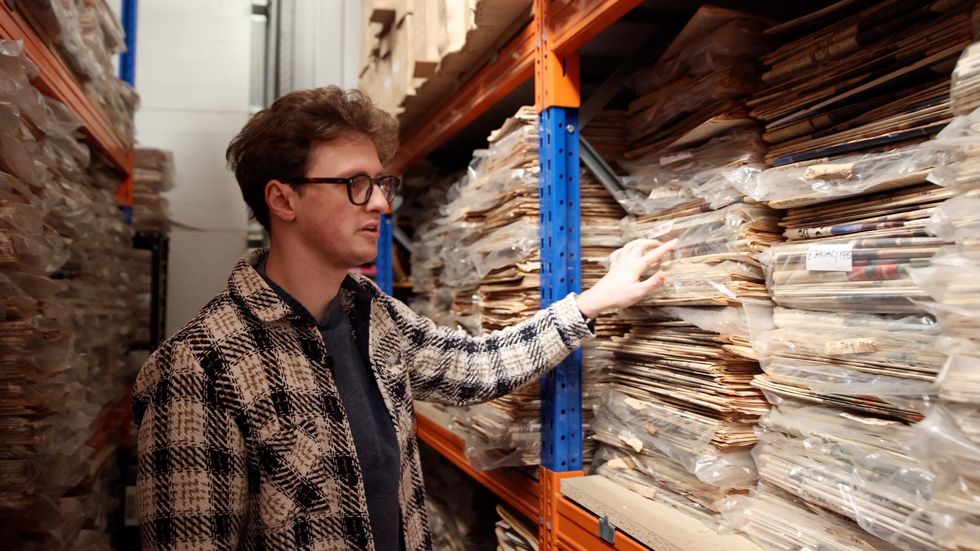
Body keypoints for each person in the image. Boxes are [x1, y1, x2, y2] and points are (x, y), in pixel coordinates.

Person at [132, 86, 676, 551]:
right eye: (354, 185)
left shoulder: (372, 315)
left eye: (381, 184)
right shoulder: (199, 370)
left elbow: (473, 367)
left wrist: (592, 302)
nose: (381, 206)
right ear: (282, 199)